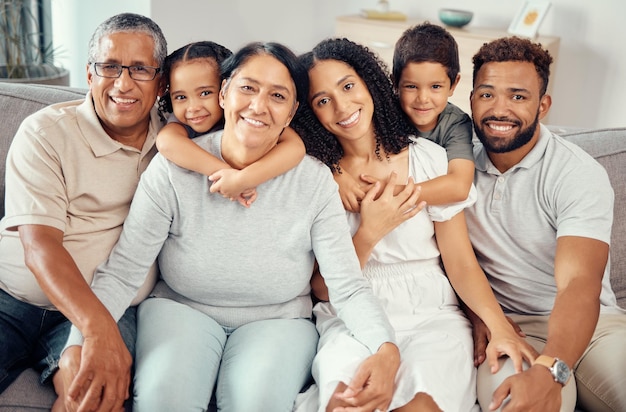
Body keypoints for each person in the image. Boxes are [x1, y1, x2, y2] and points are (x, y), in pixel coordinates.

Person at [60, 41, 401, 412]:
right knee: (163, 402)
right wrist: (78, 341)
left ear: (291, 114)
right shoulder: (172, 169)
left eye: (277, 96)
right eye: (248, 88)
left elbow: (347, 286)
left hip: (279, 320)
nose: (258, 106)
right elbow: (124, 270)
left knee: (257, 404)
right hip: (180, 309)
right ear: (224, 93)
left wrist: (386, 348)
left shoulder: (315, 181)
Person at [291, 37, 534, 412]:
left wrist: (497, 324)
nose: (342, 106)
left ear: (371, 84)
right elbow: (323, 290)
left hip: (431, 313)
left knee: (421, 407)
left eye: (348, 86)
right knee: (349, 404)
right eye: (322, 100)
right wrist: (369, 231)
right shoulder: (315, 178)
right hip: (352, 314)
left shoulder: (429, 161)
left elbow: (461, 261)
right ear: (310, 113)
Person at [0, 12, 167, 412]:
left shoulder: (178, 144)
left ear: (161, 83)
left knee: (91, 397)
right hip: (11, 301)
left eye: (140, 69)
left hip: (109, 301)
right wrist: (97, 329)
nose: (123, 83)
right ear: (90, 75)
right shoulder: (45, 132)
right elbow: (39, 245)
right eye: (109, 67)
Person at [465, 36, 626, 412]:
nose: (499, 109)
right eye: (486, 94)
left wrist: (552, 367)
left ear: (544, 104)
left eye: (518, 96)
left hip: (595, 326)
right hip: (511, 330)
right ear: (470, 99)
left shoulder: (576, 172)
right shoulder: (452, 169)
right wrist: (477, 315)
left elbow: (578, 283)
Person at [335, 22, 474, 212]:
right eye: (411, 86)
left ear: (453, 84)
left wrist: (390, 190)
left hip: (431, 210)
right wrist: (337, 175)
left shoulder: (456, 123)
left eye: (435, 87)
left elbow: (459, 187)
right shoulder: (384, 112)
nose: (423, 99)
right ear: (395, 83)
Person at [156, 41, 306, 207]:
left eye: (205, 93)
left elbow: (295, 148)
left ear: (224, 90)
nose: (193, 108)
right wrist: (225, 173)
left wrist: (245, 179)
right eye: (181, 97)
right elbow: (166, 143)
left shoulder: (256, 122)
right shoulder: (181, 125)